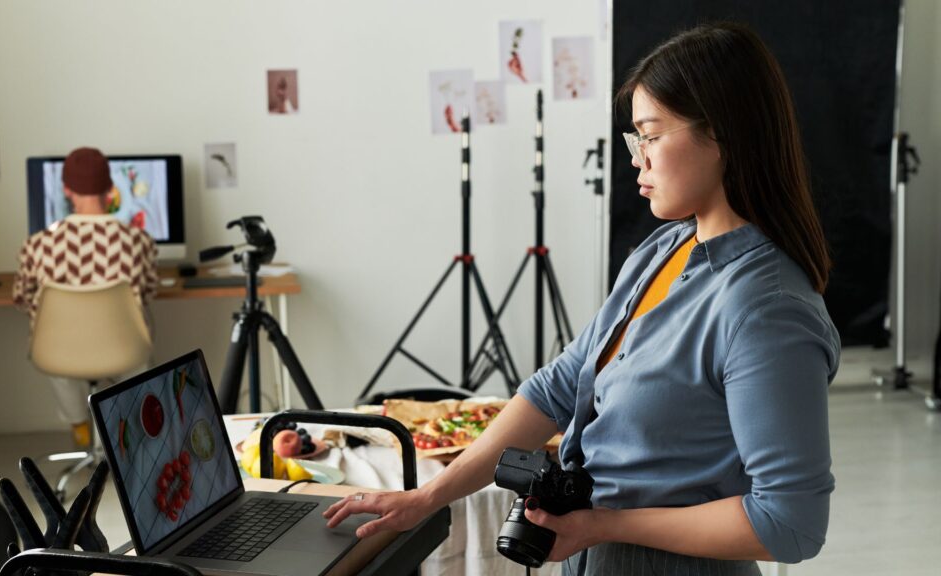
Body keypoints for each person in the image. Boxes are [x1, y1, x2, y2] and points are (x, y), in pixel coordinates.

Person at [323, 22, 840, 575]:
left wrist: (603, 524)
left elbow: (791, 522)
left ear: (722, 136)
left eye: (652, 134)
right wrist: (429, 497)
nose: (637, 157)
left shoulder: (766, 309)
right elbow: (559, 386)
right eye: (634, 138)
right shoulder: (663, 250)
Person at [13, 147, 158, 447]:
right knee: (139, 342)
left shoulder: (38, 245)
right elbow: (147, 293)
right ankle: (128, 430)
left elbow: (22, 298)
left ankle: (79, 423)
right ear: (109, 187)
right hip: (122, 352)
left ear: (67, 189)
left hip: (62, 354)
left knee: (49, 336)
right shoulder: (137, 241)